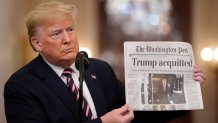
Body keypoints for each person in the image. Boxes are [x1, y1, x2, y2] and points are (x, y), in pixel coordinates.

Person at [4, 1, 206, 123]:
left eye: (70, 29)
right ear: (37, 43)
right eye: (56, 33)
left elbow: (135, 113)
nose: (68, 39)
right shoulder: (21, 86)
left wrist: (184, 90)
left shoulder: (99, 69)